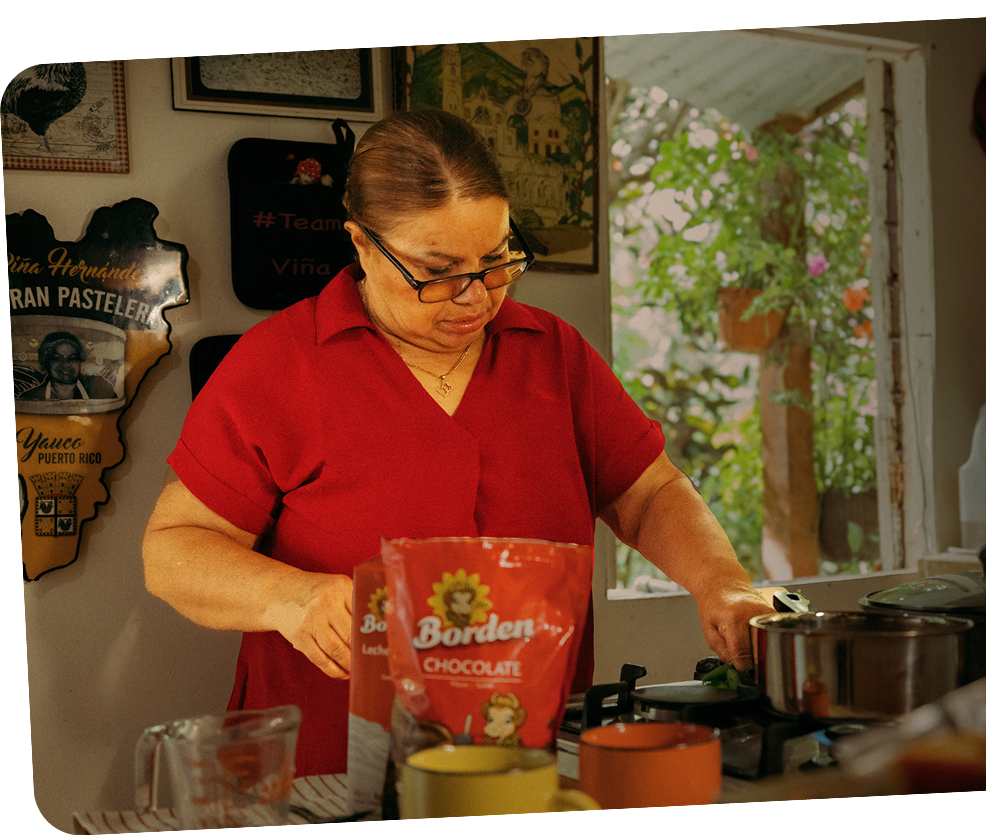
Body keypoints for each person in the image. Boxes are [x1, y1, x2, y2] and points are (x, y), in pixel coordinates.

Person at [142, 109, 774, 777]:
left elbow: (649, 493)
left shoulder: (554, 354)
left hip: (530, 757)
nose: (475, 296)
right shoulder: (280, 365)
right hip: (329, 768)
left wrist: (721, 582)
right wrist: (289, 598)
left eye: (497, 259)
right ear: (360, 242)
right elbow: (173, 549)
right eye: (436, 270)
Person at [17, 331, 118, 401]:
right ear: (46, 362)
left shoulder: (98, 389)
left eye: (72, 358)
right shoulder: (31, 397)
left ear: (80, 361)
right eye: (57, 358)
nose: (65, 364)